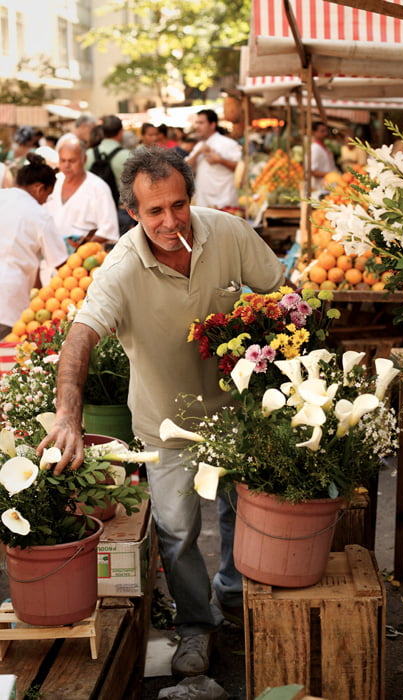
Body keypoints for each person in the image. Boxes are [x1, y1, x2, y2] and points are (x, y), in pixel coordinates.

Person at [38, 146, 284, 677]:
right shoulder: (122, 267)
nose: (171, 221)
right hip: (166, 423)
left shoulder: (229, 232)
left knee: (246, 512)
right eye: (155, 211)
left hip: (241, 413)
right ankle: (196, 625)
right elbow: (79, 337)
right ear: (133, 212)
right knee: (177, 532)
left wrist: (274, 346)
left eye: (179, 205)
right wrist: (66, 416)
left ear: (190, 197)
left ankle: (236, 597)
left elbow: (284, 296)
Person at [0, 153, 67, 339]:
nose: (46, 200)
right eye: (48, 195)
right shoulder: (39, 215)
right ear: (39, 188)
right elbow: (60, 264)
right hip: (7, 299)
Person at [45, 135, 119, 252]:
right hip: (50, 257)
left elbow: (109, 230)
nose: (66, 165)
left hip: (82, 262)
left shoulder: (98, 188)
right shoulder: (52, 182)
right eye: (62, 160)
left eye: (72, 160)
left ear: (84, 159)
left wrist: (85, 245)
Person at [85, 115, 134, 235]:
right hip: (122, 212)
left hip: (94, 213)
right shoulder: (128, 156)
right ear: (120, 132)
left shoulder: (87, 155)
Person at [185, 109, 242, 210]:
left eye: (201, 123)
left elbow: (240, 168)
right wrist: (198, 153)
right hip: (203, 203)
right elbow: (185, 168)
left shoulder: (228, 143)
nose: (197, 126)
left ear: (212, 125)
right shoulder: (199, 146)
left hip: (225, 202)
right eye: (196, 123)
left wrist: (221, 160)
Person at [310, 121, 336, 191]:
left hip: (328, 186)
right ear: (314, 132)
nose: (325, 133)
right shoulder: (314, 149)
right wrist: (330, 174)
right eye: (322, 131)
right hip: (319, 187)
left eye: (326, 131)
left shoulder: (323, 147)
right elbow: (312, 171)